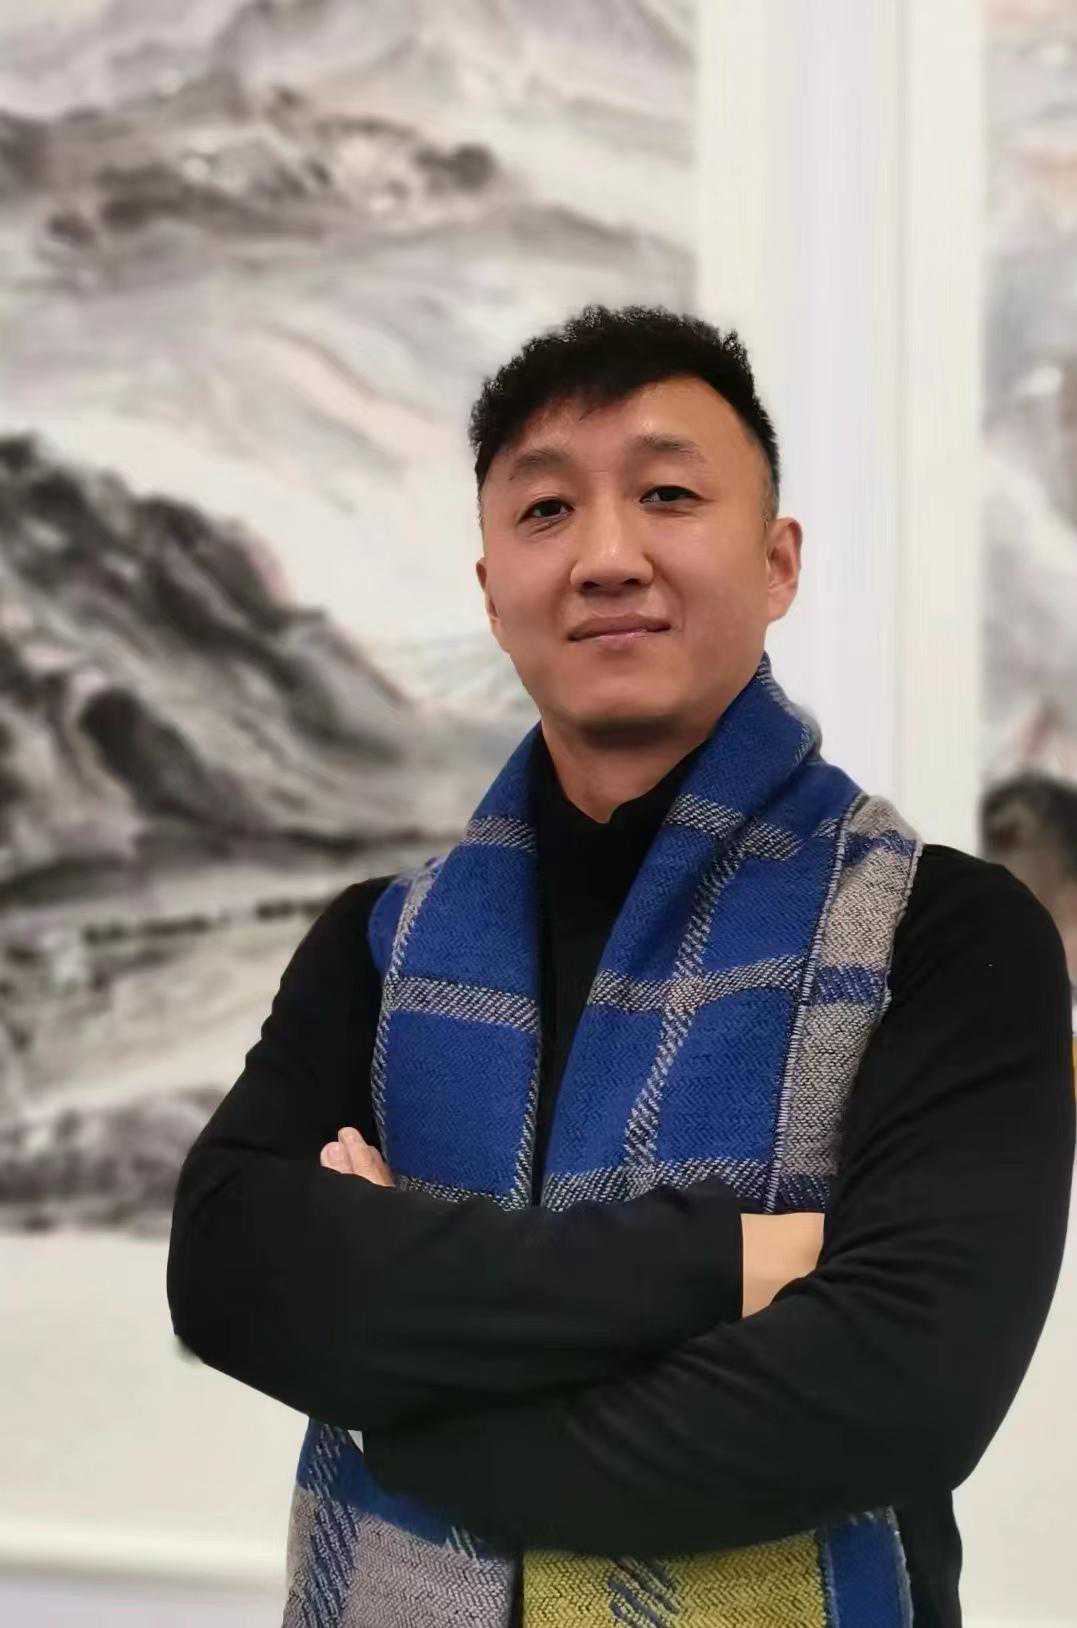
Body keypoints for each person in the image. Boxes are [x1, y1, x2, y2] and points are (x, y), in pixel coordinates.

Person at [167, 305, 1075, 1628]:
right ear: (492, 589)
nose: (604, 557)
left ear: (777, 562)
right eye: (545, 511)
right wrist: (720, 1261)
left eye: (666, 495)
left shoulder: (944, 938)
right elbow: (228, 1270)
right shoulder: (380, 942)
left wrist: (412, 1416)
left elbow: (897, 1391)